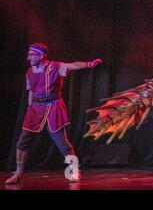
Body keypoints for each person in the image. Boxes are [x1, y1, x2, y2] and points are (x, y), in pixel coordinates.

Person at [5, 42, 103, 185]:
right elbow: (31, 91)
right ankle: (19, 173)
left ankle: (74, 171)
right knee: (21, 142)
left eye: (31, 55)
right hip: (35, 109)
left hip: (53, 107)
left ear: (41, 55)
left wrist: (89, 64)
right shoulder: (30, 72)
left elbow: (72, 65)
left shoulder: (56, 67)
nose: (28, 58)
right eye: (28, 54)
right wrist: (29, 108)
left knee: (62, 144)